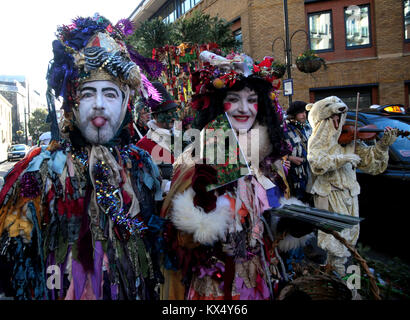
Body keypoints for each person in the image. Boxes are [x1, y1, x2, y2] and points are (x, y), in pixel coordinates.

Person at [0, 14, 164, 300]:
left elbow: (155, 238)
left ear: (126, 103)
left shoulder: (141, 164)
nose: (99, 105)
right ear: (72, 103)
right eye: (88, 94)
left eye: (110, 94)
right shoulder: (41, 169)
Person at [159, 53, 322, 300]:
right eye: (233, 99)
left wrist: (290, 226)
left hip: (259, 278)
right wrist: (204, 218)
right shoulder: (196, 160)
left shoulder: (270, 164)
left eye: (252, 100)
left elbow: (269, 228)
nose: (244, 109)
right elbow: (177, 239)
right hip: (214, 283)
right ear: (216, 104)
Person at [306, 96, 398, 276]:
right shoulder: (317, 141)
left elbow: (370, 163)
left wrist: (382, 146)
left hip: (349, 194)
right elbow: (316, 162)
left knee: (348, 239)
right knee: (334, 239)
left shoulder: (350, 140)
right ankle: (335, 276)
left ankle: (335, 275)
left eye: (340, 118)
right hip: (330, 194)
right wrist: (343, 159)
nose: (338, 122)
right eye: (333, 118)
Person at [136, 82, 180, 195]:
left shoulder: (181, 137)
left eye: (173, 112)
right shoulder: (143, 145)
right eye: (166, 113)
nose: (173, 118)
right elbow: (146, 182)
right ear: (155, 116)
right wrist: (169, 186)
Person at [284, 101, 312, 203]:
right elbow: (278, 151)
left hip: (308, 171)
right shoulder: (285, 129)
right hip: (293, 173)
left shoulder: (308, 127)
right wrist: (290, 158)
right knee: (296, 199)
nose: (304, 115)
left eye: (305, 112)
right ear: (294, 113)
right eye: (301, 112)